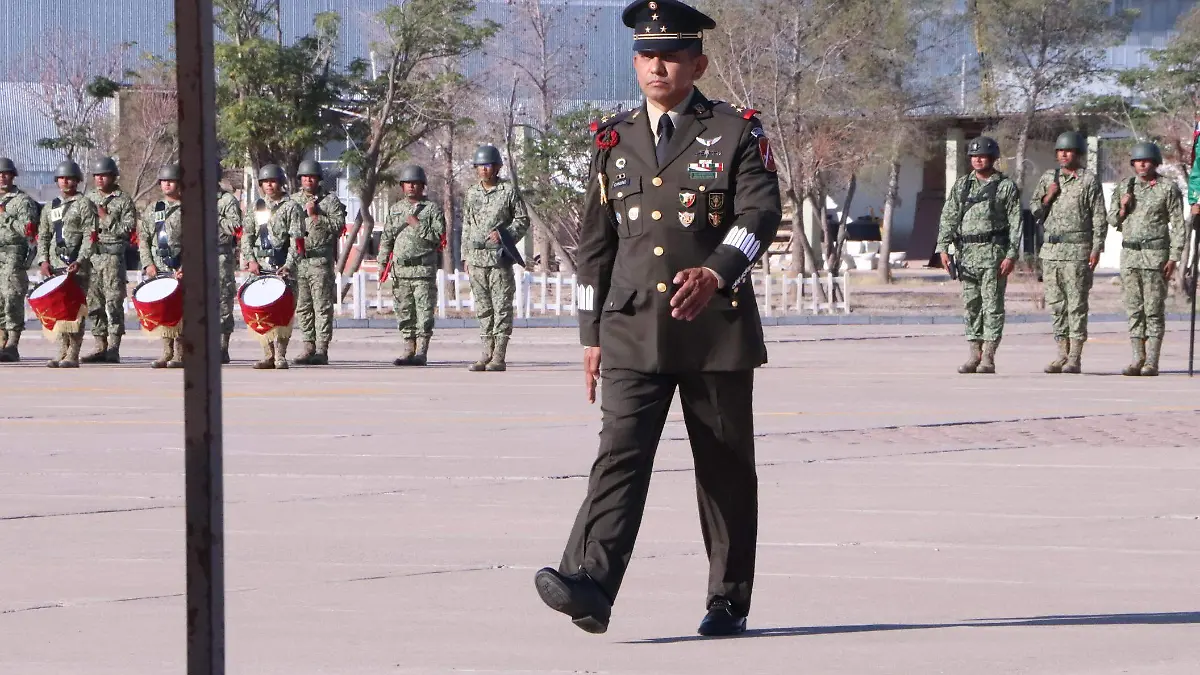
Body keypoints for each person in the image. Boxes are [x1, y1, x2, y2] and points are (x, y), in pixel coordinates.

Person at [533, 0, 782, 637]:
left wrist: (719, 270)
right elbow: (596, 249)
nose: (657, 66)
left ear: (697, 63)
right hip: (630, 329)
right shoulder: (613, 140)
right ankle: (589, 583)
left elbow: (760, 217)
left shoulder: (734, 134)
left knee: (723, 466)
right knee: (619, 452)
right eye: (646, 55)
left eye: (671, 56)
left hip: (712, 333)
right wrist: (589, 335)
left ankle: (728, 599)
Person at [936, 136, 1022, 374]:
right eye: (974, 156)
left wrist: (1011, 255)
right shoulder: (962, 185)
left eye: (982, 156)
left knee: (992, 307)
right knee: (972, 306)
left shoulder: (1005, 186)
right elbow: (949, 216)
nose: (977, 160)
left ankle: (989, 357)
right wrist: (943, 248)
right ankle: (974, 354)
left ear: (993, 158)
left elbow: (1016, 223)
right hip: (967, 256)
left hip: (994, 255)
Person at [1029, 132, 1107, 374]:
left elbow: (1099, 216)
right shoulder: (1048, 178)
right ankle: (1061, 354)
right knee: (1056, 304)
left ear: (1078, 154)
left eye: (1069, 151)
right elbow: (1034, 210)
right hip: (1051, 252)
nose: (1063, 154)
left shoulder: (1088, 180)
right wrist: (1047, 197)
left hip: (1077, 251)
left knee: (1076, 305)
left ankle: (1075, 356)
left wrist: (1096, 247)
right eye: (1060, 151)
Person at [1109, 142, 1186, 376]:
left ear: (1155, 163)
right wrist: (1123, 209)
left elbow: (1178, 225)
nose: (1142, 164)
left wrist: (1174, 257)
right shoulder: (1125, 187)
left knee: (1153, 309)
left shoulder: (1167, 188)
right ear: (1133, 164)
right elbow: (1113, 221)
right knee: (1134, 309)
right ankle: (1136, 358)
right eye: (1138, 161)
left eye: (1147, 161)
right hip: (1130, 256)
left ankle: (1151, 360)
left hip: (1155, 256)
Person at [460, 144, 530, 372]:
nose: (483, 170)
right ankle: (485, 352)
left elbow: (522, 219)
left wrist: (504, 234)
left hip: (499, 260)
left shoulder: (508, 191)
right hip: (477, 259)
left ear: (497, 167)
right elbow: (467, 225)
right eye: (480, 166)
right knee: (483, 308)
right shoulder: (471, 193)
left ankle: (499, 355)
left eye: (488, 165)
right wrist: (465, 257)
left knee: (501, 307)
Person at [377, 164, 446, 366]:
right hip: (401, 270)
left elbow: (439, 238)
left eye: (415, 183)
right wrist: (382, 263)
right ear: (402, 186)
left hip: (423, 270)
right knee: (404, 312)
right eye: (408, 183)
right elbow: (387, 238)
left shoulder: (432, 209)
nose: (411, 187)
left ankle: (421, 352)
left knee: (424, 313)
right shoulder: (395, 210)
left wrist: (418, 224)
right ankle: (408, 349)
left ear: (422, 186)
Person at [240, 164, 303, 370]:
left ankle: (281, 355)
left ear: (280, 183)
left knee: (283, 313)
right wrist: (250, 260)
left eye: (273, 181)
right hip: (260, 265)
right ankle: (268, 354)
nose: (269, 185)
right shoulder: (257, 207)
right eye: (265, 182)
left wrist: (289, 265)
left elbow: (297, 240)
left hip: (283, 266)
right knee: (261, 310)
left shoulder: (291, 207)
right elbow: (247, 236)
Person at [37, 160, 98, 368]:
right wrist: (43, 260)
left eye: (70, 178)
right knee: (58, 310)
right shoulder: (51, 206)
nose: (66, 181)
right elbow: (43, 236)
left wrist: (80, 261)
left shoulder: (84, 204)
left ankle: (73, 352)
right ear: (57, 181)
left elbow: (91, 236)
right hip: (55, 266)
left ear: (78, 181)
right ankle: (62, 350)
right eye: (62, 178)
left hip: (75, 267)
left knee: (75, 310)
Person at [81, 157, 137, 364]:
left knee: (113, 303)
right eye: (96, 175)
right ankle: (99, 346)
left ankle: (114, 347)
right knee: (94, 303)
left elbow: (128, 230)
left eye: (104, 175)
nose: (99, 179)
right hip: (93, 257)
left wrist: (106, 217)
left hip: (113, 258)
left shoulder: (123, 200)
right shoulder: (88, 198)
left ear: (113, 177)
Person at [290, 159, 346, 365]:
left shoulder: (330, 201)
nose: (308, 180)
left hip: (320, 261)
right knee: (304, 307)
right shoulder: (293, 201)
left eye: (311, 177)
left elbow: (339, 227)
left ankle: (322, 349)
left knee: (321, 306)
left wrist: (316, 216)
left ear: (318, 179)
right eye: (305, 177)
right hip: (300, 261)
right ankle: (308, 346)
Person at [138, 164, 186, 369]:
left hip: (180, 270)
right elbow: (144, 239)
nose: (166, 184)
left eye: (171, 181)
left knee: (181, 312)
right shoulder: (153, 209)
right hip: (159, 268)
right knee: (163, 311)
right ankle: (166, 351)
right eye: (163, 181)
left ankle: (181, 353)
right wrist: (148, 263)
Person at [0, 158, 38, 362]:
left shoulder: (22, 201)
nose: (2, 177)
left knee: (12, 298)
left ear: (13, 176)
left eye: (6, 173)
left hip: (13, 254)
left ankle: (12, 343)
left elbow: (27, 230)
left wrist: (5, 216)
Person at [217, 168, 244, 364]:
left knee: (223, 302)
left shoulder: (227, 201)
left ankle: (221, 348)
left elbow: (236, 227)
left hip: (219, 256)